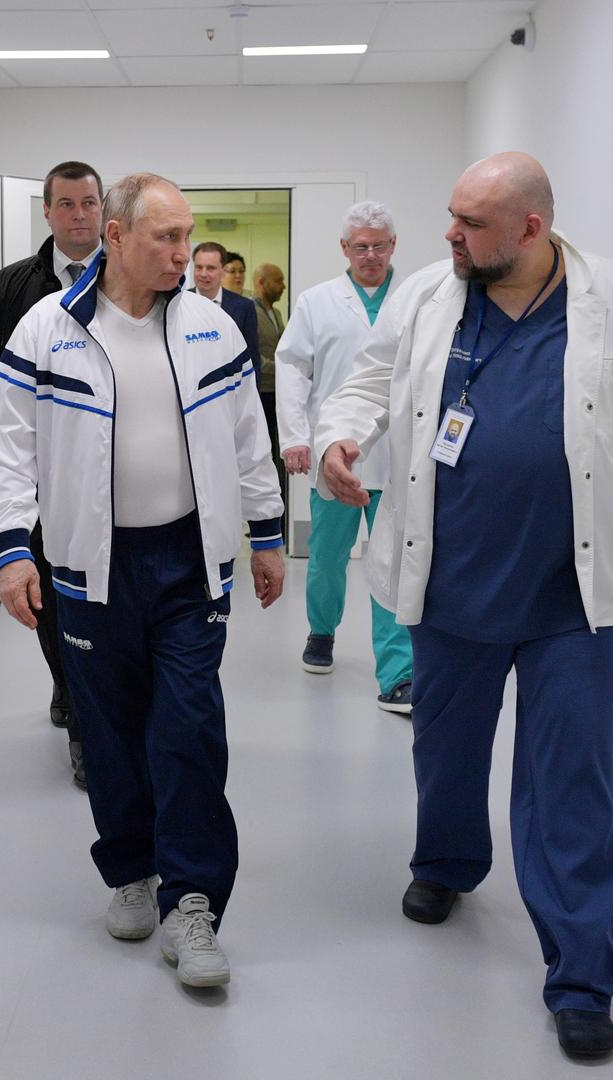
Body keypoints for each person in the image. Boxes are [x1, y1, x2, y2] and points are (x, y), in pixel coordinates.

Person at [314, 153, 613, 1059]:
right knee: (446, 749)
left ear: (531, 230)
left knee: (572, 779)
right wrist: (341, 438)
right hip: (448, 583)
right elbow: (369, 383)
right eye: (450, 216)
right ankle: (446, 864)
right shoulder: (428, 295)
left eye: (471, 223)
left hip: (573, 596)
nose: (449, 235)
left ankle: (580, 973)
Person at [0, 173, 285, 990]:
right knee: (109, 734)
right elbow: (4, 444)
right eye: (166, 238)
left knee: (188, 728)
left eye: (188, 237)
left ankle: (194, 902)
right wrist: (10, 549)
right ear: (113, 237)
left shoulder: (211, 327)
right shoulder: (49, 328)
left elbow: (250, 436)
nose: (184, 253)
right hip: (86, 566)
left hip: (187, 563)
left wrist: (267, 535)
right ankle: (130, 870)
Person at [0, 160, 103, 789]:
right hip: (32, 472)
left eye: (88, 202)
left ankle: (92, 703)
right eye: (65, 204)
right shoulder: (16, 286)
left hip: (102, 471)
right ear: (46, 212)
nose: (77, 215)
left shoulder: (130, 280)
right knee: (47, 594)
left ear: (104, 208)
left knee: (100, 599)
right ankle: (75, 710)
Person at [276, 200, 413, 714]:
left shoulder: (420, 298)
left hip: (400, 456)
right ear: (345, 248)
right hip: (336, 453)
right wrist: (295, 436)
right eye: (361, 246)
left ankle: (398, 671)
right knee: (329, 557)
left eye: (379, 245)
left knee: (394, 561)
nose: (371, 254)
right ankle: (321, 631)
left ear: (393, 245)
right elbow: (291, 368)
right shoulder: (316, 302)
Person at [189, 241, 260, 383]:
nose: (203, 274)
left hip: (230, 387)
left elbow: (252, 358)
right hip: (190, 389)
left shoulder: (243, 307)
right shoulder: (178, 304)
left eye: (210, 268)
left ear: (223, 270)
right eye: (199, 267)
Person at [251, 263, 287, 503]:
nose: (283, 286)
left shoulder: (276, 314)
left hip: (278, 392)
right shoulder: (249, 312)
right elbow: (255, 357)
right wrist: (282, 369)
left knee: (278, 452)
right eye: (278, 280)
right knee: (262, 453)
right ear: (262, 282)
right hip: (260, 392)